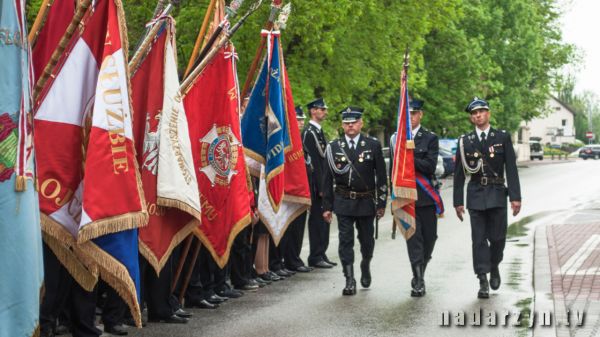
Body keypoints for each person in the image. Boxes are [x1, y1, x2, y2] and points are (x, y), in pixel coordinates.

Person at [453, 97, 522, 299]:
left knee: (498, 238)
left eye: (481, 112)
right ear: (471, 118)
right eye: (474, 113)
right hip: (475, 194)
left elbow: (511, 168)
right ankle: (482, 278)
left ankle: (494, 265)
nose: (478, 115)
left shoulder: (502, 137)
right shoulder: (465, 141)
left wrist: (515, 197)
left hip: (497, 193)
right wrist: (457, 201)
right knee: (478, 240)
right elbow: (458, 174)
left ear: (488, 113)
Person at [322, 106, 387, 296]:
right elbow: (327, 179)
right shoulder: (334, 147)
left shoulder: (372, 145)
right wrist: (327, 206)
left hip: (366, 201)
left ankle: (365, 263)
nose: (350, 126)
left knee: (367, 241)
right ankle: (349, 278)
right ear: (342, 125)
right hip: (343, 200)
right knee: (345, 241)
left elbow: (381, 177)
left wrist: (381, 203)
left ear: (361, 123)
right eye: (347, 123)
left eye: (354, 123)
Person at [390, 99, 442, 297]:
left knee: (430, 238)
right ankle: (418, 279)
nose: (410, 118)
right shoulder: (396, 138)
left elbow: (429, 166)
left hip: (425, 197)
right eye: (407, 114)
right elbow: (392, 170)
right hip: (406, 197)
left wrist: (409, 156)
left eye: (413, 114)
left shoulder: (430, 138)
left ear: (421, 115)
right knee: (413, 238)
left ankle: (421, 268)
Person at [302, 98, 336, 269]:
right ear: (313, 111)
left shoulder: (318, 131)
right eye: (321, 109)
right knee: (317, 220)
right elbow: (314, 162)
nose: (325, 112)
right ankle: (315, 255)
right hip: (317, 185)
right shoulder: (309, 132)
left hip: (324, 183)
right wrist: (322, 186)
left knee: (325, 219)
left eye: (324, 109)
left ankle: (322, 252)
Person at [281, 106, 313, 273]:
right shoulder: (287, 139)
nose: (300, 123)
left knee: (298, 228)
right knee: (288, 227)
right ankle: (287, 260)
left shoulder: (300, 139)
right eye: (297, 119)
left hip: (301, 189)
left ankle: (294, 258)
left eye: (301, 120)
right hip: (289, 190)